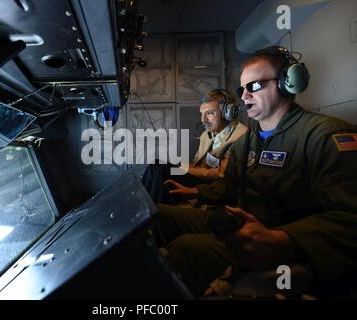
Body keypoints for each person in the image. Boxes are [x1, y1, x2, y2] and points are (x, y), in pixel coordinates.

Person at [153, 46, 357, 298]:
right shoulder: (246, 143)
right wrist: (194, 191)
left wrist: (282, 240)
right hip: (241, 223)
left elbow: (349, 218)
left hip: (278, 239)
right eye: (242, 89)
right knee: (156, 214)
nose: (245, 96)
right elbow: (227, 188)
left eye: (255, 86)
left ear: (288, 84)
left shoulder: (324, 135)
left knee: (186, 249)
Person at [141, 89, 247, 204]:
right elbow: (196, 163)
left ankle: (153, 216)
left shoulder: (240, 136)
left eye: (209, 113)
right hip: (201, 178)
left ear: (227, 113)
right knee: (155, 165)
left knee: (163, 172)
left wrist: (184, 168)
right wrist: (181, 165)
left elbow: (221, 174)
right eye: (201, 114)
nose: (203, 120)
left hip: (213, 186)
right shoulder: (206, 135)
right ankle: (141, 207)